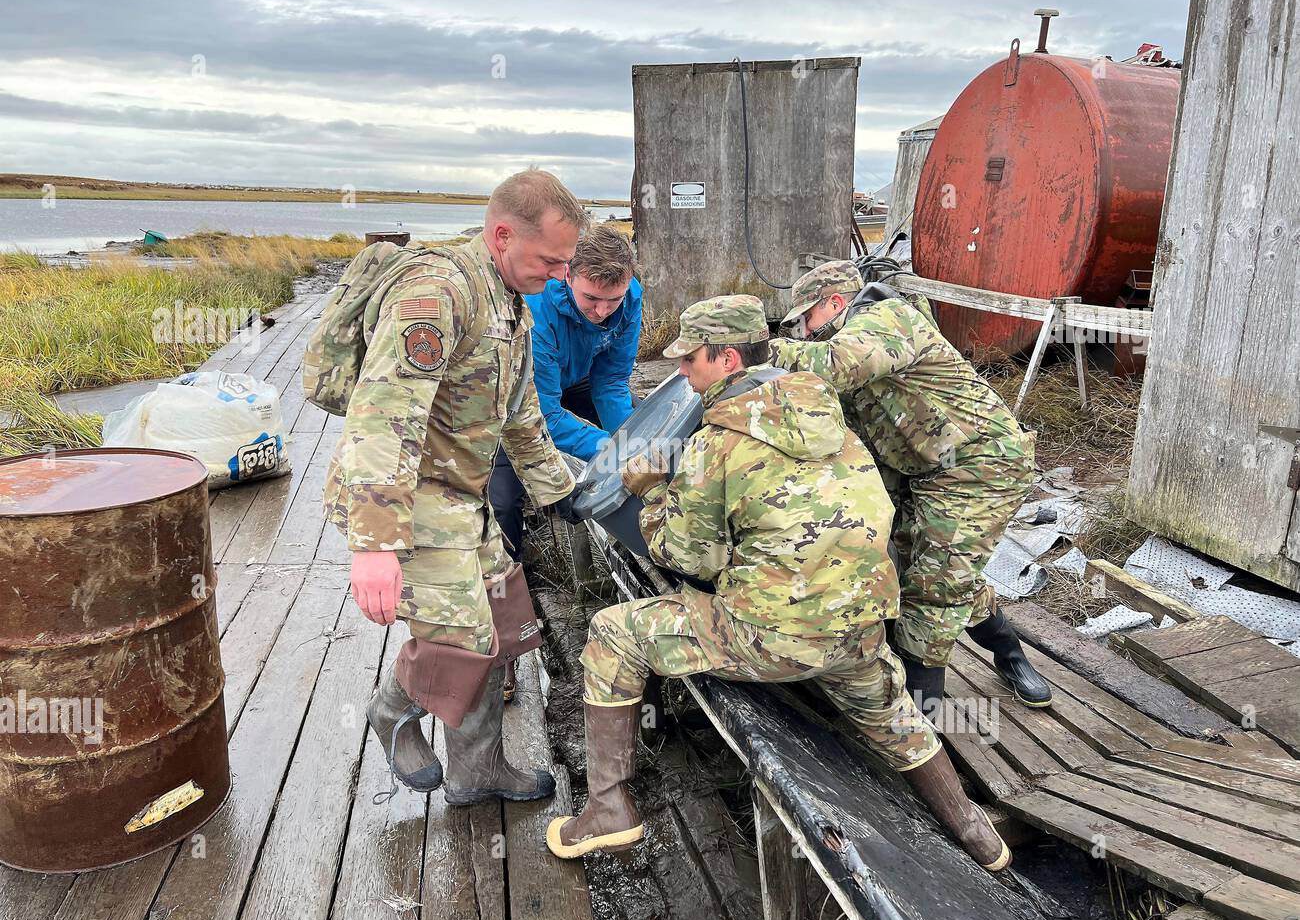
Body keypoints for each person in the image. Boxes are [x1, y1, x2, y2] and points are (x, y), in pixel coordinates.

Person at [545, 294, 1012, 872]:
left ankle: (609, 809)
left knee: (612, 633)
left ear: (729, 361)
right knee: (894, 717)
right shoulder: (830, 415)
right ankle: (973, 828)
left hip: (769, 639)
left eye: (690, 361)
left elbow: (686, 556)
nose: (681, 374)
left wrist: (653, 491)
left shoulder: (714, 442)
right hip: (862, 631)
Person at [321, 168, 584, 805]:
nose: (559, 276)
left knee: (507, 618)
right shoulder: (436, 294)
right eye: (550, 260)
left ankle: (476, 769)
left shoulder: (510, 300)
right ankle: (393, 712)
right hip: (405, 500)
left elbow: (516, 413)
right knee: (461, 636)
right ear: (502, 235)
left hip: (460, 496)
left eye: (565, 263)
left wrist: (559, 490)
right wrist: (375, 546)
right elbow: (384, 413)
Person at [770, 260, 1053, 716]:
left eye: (806, 320)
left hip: (983, 464)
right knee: (920, 570)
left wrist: (751, 351)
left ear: (836, 303)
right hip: (920, 472)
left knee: (935, 587)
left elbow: (837, 365)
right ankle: (1009, 651)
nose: (802, 332)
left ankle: (924, 723)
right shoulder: (841, 349)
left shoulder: (886, 320)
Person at [488, 224, 642, 563]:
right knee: (501, 502)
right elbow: (544, 415)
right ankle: (508, 578)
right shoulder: (536, 309)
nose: (603, 311)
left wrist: (631, 446)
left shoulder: (630, 297)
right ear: (568, 274)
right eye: (591, 299)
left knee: (646, 427)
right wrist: (611, 451)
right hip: (519, 394)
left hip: (578, 379)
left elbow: (612, 381)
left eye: (613, 300)